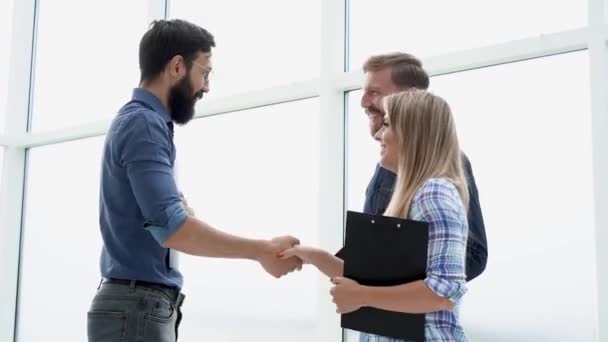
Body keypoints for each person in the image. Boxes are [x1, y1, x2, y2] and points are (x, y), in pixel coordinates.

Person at [87, 19, 301, 342]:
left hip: (139, 307)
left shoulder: (145, 125)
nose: (206, 86)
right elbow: (175, 228)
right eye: (205, 72)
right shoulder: (143, 126)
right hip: (137, 308)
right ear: (176, 66)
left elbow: (176, 220)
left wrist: (181, 216)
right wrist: (262, 250)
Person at [281, 90, 469, 341]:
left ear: (412, 134)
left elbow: (443, 294)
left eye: (388, 124)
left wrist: (361, 296)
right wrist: (315, 257)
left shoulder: (433, 194)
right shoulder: (413, 196)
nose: (379, 134)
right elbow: (375, 279)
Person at [360, 52, 487, 281]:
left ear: (410, 96)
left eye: (375, 92)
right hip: (380, 312)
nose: (364, 103)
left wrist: (390, 286)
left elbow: (473, 257)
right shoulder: (386, 164)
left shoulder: (444, 166)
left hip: (414, 312)